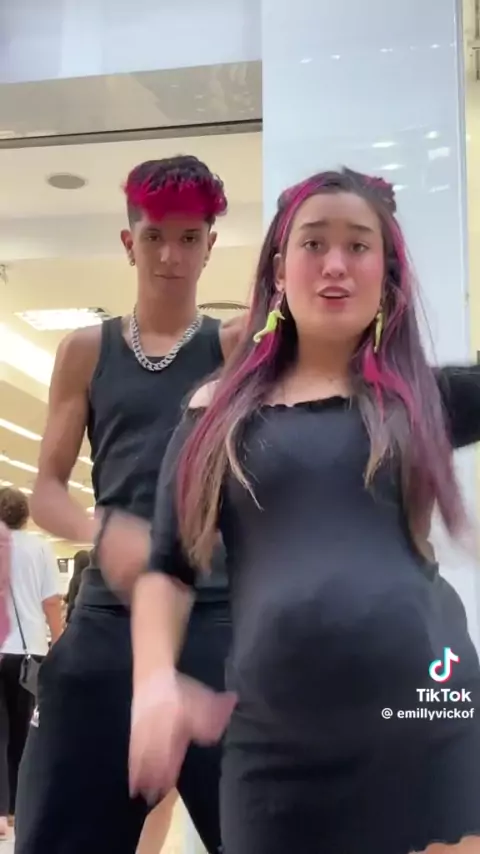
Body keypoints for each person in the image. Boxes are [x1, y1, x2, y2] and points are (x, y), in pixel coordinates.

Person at [130, 168, 480, 854]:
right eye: (314, 243)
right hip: (276, 750)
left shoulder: (421, 400)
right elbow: (167, 569)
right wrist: (153, 683)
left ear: (387, 276)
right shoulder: (214, 415)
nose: (335, 264)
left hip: (430, 720)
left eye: (359, 246)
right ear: (279, 270)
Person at [15, 155, 242, 854]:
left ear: (209, 245)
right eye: (154, 237)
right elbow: (46, 488)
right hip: (108, 620)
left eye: (188, 238)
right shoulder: (86, 351)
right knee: (57, 830)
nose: (170, 256)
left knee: (261, 827)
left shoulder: (236, 349)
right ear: (128, 241)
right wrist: (100, 529)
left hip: (215, 619)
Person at [0, 487, 61, 838]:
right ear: (25, 516)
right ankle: (19, 809)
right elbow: (51, 602)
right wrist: (60, 641)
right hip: (29, 652)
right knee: (25, 732)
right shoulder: (39, 548)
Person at [65, 549, 91, 622]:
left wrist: (67, 619)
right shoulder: (94, 578)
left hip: (78, 619)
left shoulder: (75, 580)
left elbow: (71, 604)